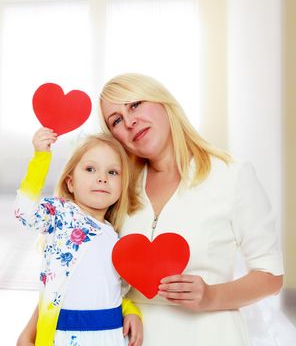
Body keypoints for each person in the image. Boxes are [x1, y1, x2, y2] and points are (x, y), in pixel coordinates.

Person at [17, 73, 284, 345]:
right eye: (117, 120)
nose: (130, 121)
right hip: (121, 337)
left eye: (135, 105)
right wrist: (30, 334)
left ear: (163, 102)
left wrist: (211, 296)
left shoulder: (232, 175)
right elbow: (75, 265)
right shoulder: (117, 186)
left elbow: (271, 277)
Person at [14, 127, 143, 346]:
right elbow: (23, 212)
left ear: (123, 185)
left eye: (112, 172)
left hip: (109, 335)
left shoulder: (115, 236)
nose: (102, 178)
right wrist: (41, 158)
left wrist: (131, 311)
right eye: (90, 169)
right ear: (70, 182)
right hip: (63, 334)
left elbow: (115, 288)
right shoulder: (60, 213)